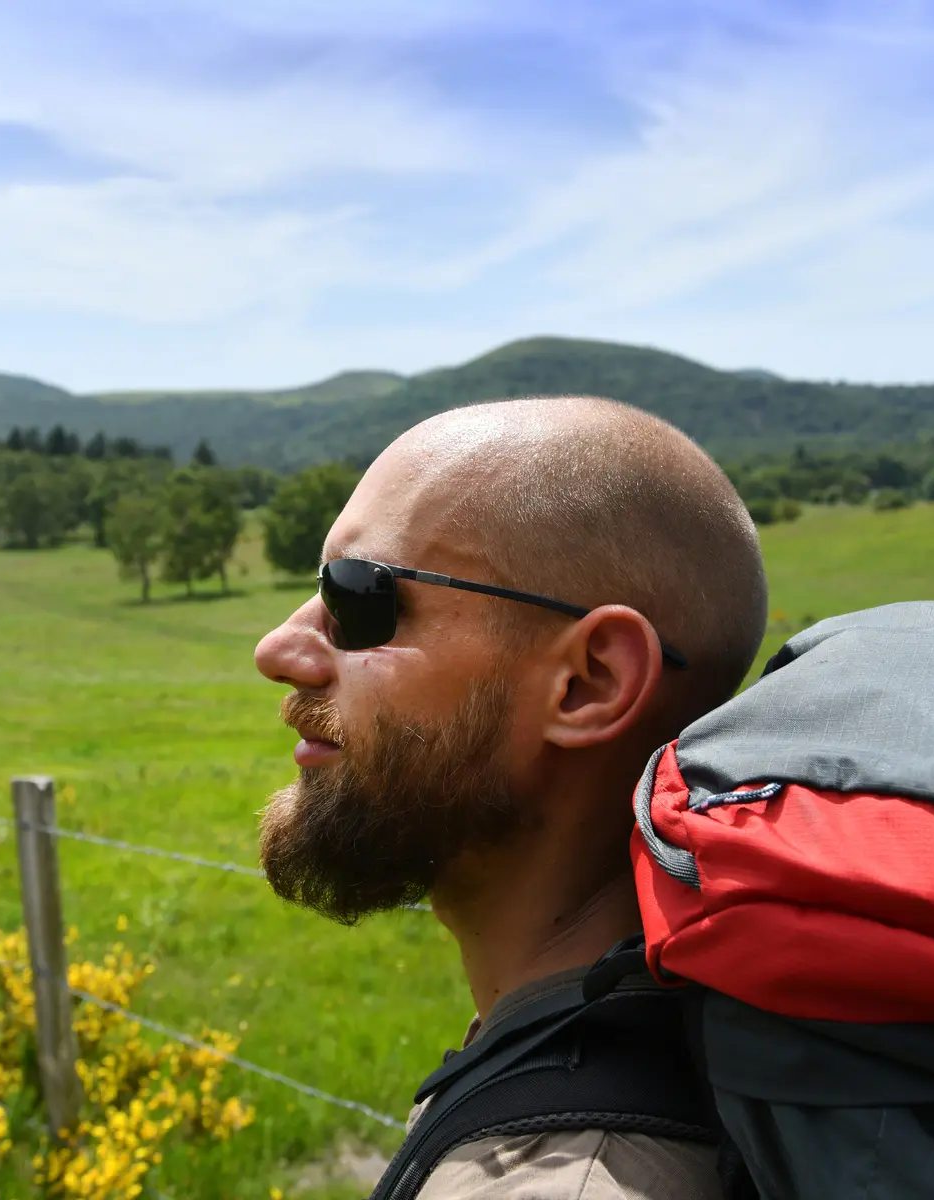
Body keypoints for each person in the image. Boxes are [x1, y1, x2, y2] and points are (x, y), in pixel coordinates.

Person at [254, 396, 768, 1199]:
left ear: (589, 682)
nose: (279, 650)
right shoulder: (691, 1034)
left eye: (359, 596)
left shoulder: (560, 1180)